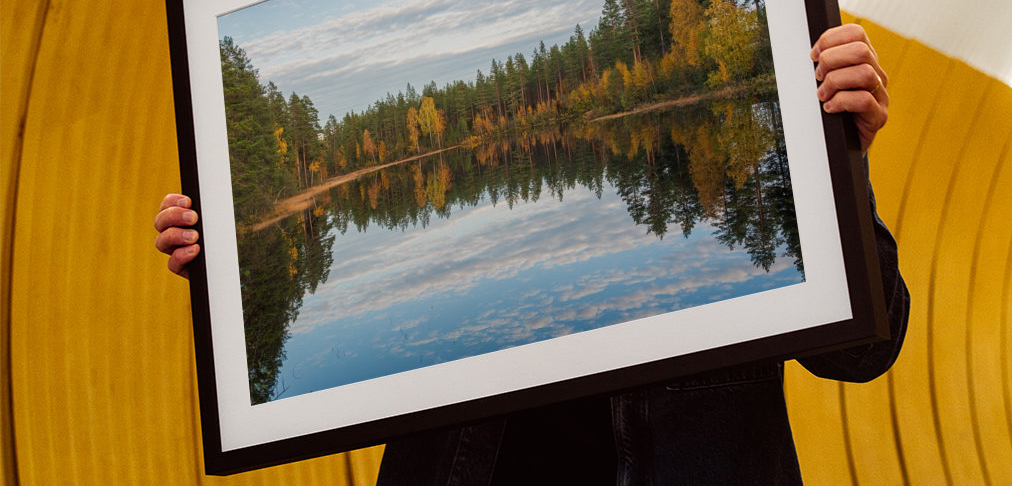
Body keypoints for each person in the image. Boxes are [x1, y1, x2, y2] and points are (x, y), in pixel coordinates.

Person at [155, 24, 909, 485]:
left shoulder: (761, 157)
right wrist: (238, 255)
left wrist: (839, 157)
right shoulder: (443, 280)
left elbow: (865, 351)